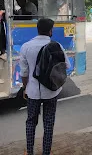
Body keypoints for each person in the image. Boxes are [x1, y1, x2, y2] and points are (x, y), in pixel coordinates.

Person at [20, 19, 71, 155]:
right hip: (51, 92)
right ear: (50, 30)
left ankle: (30, 152)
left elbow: (24, 73)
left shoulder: (26, 46)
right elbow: (66, 66)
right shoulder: (56, 46)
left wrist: (26, 88)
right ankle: (46, 152)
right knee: (48, 124)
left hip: (33, 92)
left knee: (31, 122)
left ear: (37, 29)